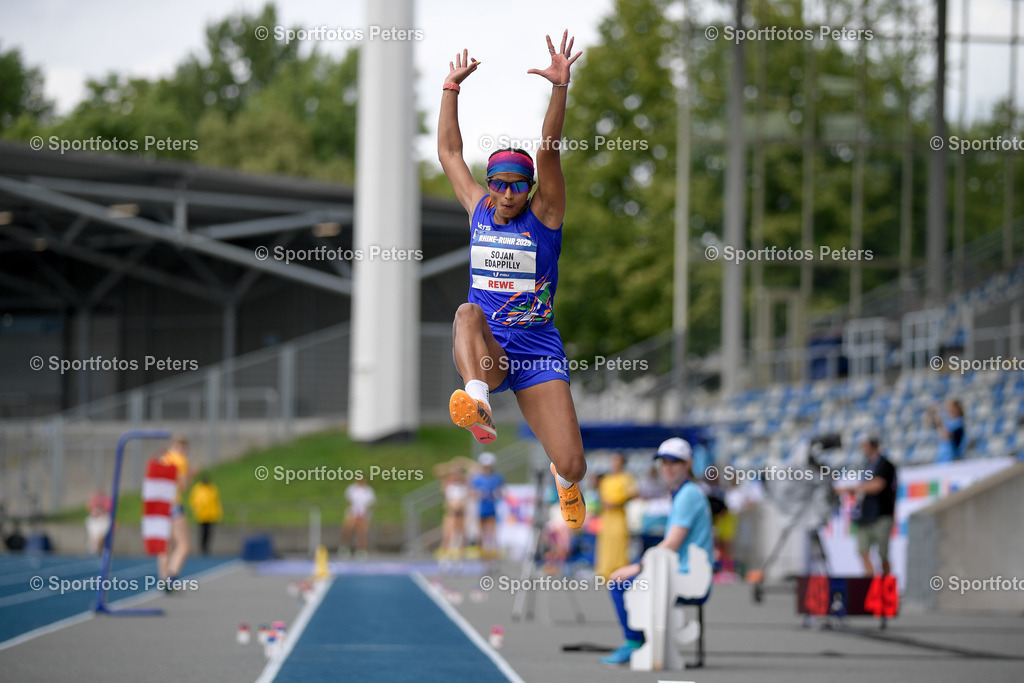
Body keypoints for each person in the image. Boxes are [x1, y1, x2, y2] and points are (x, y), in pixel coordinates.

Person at [438, 31, 588, 530]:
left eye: (517, 186)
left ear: (530, 189)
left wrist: (560, 88)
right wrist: (450, 89)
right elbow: (450, 153)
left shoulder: (545, 215)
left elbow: (549, 151)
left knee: (574, 464)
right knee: (466, 312)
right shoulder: (478, 208)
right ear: (490, 184)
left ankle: (564, 480)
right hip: (492, 350)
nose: (506, 195)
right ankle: (477, 400)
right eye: (499, 184)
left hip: (537, 349)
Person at [600, 438, 713, 665]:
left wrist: (638, 567)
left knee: (620, 583)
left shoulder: (688, 494)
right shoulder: (684, 492)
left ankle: (635, 642)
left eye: (675, 462)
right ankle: (641, 641)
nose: (668, 468)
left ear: (688, 463)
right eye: (664, 462)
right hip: (682, 571)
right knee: (627, 579)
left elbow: (672, 543)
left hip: (687, 576)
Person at [837, 435, 897, 576]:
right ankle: (870, 583)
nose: (863, 449)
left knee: (883, 554)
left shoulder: (885, 465)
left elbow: (877, 485)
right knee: (863, 550)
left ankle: (886, 582)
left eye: (865, 445)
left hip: (881, 514)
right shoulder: (866, 466)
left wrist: (851, 489)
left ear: (873, 446)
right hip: (865, 515)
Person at [158, 435, 193, 590]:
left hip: (160, 505)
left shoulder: (163, 459)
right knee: (184, 545)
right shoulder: (181, 460)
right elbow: (184, 485)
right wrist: (191, 473)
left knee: (166, 544)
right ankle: (171, 576)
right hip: (173, 504)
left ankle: (163, 576)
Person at [595, 453, 636, 580]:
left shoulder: (626, 478)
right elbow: (601, 497)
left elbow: (632, 494)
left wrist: (617, 503)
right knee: (606, 544)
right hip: (607, 517)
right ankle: (605, 572)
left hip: (619, 517)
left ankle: (619, 572)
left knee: (619, 544)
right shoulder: (606, 479)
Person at [471, 452, 505, 560]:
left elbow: (501, 491)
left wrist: (496, 494)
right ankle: (482, 556)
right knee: (480, 533)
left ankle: (492, 555)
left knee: (491, 534)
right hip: (481, 508)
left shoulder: (496, 477)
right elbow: (471, 491)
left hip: (492, 508)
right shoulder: (477, 478)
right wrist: (479, 494)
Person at [340, 476, 376, 559]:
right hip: (352, 513)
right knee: (347, 530)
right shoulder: (351, 489)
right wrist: (355, 513)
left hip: (364, 514)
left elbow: (369, 504)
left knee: (362, 532)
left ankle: (361, 550)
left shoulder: (368, 490)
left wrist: (362, 514)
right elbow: (349, 501)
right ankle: (345, 548)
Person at [441, 467, 471, 563]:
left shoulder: (464, 487)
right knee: (448, 535)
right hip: (451, 514)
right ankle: (444, 558)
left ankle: (461, 558)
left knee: (461, 536)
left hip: (461, 514)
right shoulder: (449, 486)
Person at [188, 474, 222, 556]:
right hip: (202, 515)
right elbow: (194, 501)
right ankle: (202, 547)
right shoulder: (198, 489)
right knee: (202, 532)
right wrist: (197, 510)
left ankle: (207, 547)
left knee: (209, 532)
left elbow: (216, 502)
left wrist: (218, 513)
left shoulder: (212, 489)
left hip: (211, 515)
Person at [930, 399, 966, 463]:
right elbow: (932, 424)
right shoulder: (949, 422)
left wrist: (939, 423)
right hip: (943, 459)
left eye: (952, 408)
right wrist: (933, 413)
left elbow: (946, 436)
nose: (949, 410)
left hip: (952, 460)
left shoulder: (959, 424)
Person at [85, 488, 112, 556]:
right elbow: (90, 509)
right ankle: (93, 545)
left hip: (103, 520)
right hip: (95, 520)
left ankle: (97, 545)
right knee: (93, 528)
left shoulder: (107, 500)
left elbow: (108, 510)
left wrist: (101, 512)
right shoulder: (92, 499)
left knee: (102, 531)